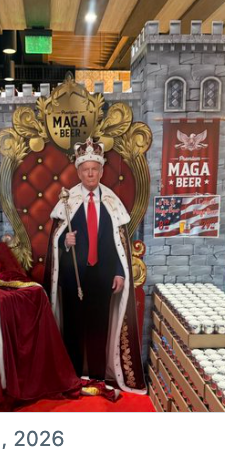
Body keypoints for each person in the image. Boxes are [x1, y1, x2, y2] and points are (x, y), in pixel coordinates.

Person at [45, 138, 146, 394]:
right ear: (78, 172)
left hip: (103, 277)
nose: (90, 174)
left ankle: (99, 377)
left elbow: (121, 244)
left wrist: (120, 272)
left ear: (101, 171)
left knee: (99, 327)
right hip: (73, 279)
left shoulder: (112, 203)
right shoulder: (67, 201)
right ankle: (75, 375)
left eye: (95, 169)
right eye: (85, 170)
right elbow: (53, 243)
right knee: (74, 329)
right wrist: (64, 242)